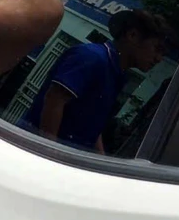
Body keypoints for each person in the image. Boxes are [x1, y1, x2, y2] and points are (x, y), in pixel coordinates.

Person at [26, 8, 170, 152]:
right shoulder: (92, 57)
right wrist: (50, 151)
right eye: (156, 49)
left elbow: (92, 123)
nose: (158, 59)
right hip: (34, 151)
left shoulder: (117, 74)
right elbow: (54, 100)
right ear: (132, 36)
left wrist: (100, 157)